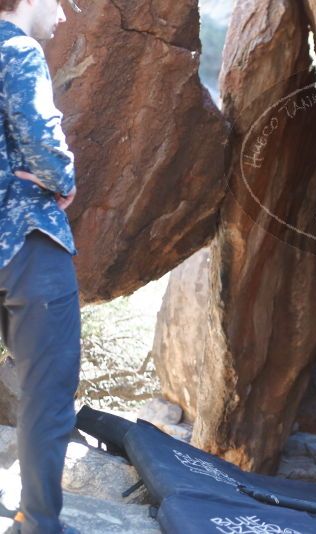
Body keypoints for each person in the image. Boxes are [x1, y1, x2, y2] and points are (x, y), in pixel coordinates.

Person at [0, 0, 83, 532]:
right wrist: (63, 179)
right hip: (26, 241)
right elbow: (41, 137)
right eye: (59, 1)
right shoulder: (18, 49)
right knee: (46, 390)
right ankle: (38, 523)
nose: (64, 15)